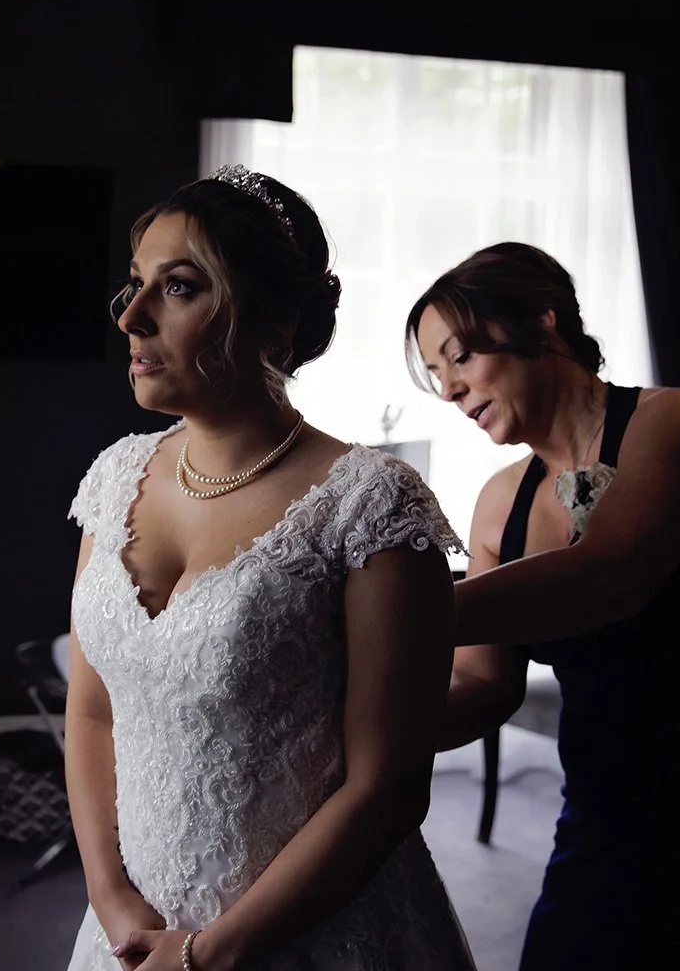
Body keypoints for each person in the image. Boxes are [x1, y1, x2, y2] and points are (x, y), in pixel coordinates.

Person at [62, 165, 475, 971]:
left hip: (308, 938)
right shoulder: (115, 479)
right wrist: (114, 903)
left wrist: (209, 954)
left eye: (178, 288)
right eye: (136, 285)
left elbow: (386, 787)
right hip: (131, 936)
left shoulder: (371, 505)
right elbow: (93, 714)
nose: (133, 318)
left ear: (275, 320)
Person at [407, 242, 680, 970]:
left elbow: (606, 577)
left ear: (542, 324)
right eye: (436, 372)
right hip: (606, 816)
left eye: (461, 355)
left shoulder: (676, 425)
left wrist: (393, 616)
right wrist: (361, 738)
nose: (449, 390)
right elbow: (482, 686)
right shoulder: (497, 506)